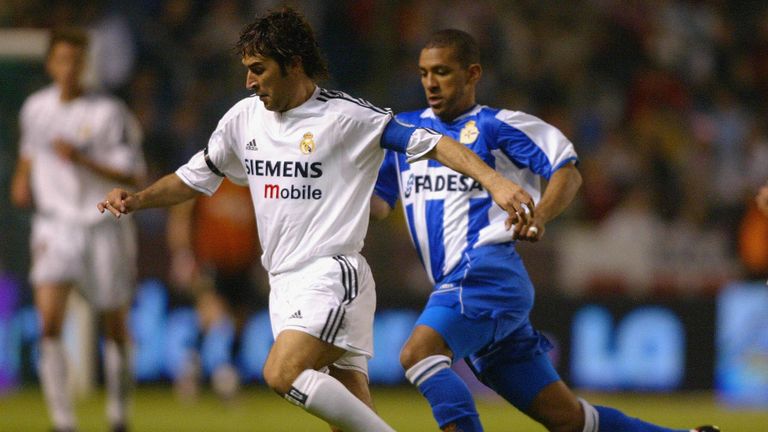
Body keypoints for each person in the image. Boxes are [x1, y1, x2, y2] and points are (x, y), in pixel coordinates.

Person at [98, 8, 531, 432]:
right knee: (348, 415)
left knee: (282, 373)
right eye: (247, 70)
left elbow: (432, 143)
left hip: (332, 274)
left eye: (259, 69)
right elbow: (194, 178)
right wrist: (137, 200)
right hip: (283, 281)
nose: (249, 81)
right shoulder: (242, 119)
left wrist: (494, 181)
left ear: (294, 64)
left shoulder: (346, 117)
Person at [371, 29, 721, 432]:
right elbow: (379, 202)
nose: (430, 83)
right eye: (423, 73)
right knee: (568, 419)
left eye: (442, 72)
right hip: (463, 286)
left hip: (486, 273)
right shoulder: (408, 133)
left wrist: (539, 216)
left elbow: (568, 173)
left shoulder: (498, 126)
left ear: (472, 74)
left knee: (419, 354)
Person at [10, 28, 145, 432]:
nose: (71, 68)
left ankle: (119, 414)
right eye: (64, 59)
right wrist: (21, 181)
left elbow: (133, 173)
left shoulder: (109, 112)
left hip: (102, 225)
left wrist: (82, 159)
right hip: (54, 226)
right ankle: (63, 421)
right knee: (49, 322)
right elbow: (29, 156)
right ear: (51, 63)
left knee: (114, 323)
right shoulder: (35, 109)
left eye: (78, 60)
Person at [166, 178, 263, 400]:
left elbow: (261, 220)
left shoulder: (251, 182)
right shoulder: (211, 176)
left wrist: (260, 257)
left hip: (242, 262)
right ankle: (215, 373)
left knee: (239, 321)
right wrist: (182, 255)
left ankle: (204, 362)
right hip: (210, 261)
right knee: (214, 316)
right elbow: (181, 213)